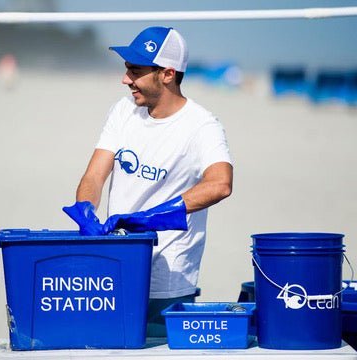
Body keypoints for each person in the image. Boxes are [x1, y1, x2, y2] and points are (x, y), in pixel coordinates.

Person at [65, 26, 233, 336]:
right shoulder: (124, 110)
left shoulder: (203, 125)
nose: (125, 79)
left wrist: (152, 218)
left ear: (167, 74)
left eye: (135, 71)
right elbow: (94, 174)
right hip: (118, 264)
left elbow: (221, 183)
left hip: (169, 278)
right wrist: (85, 210)